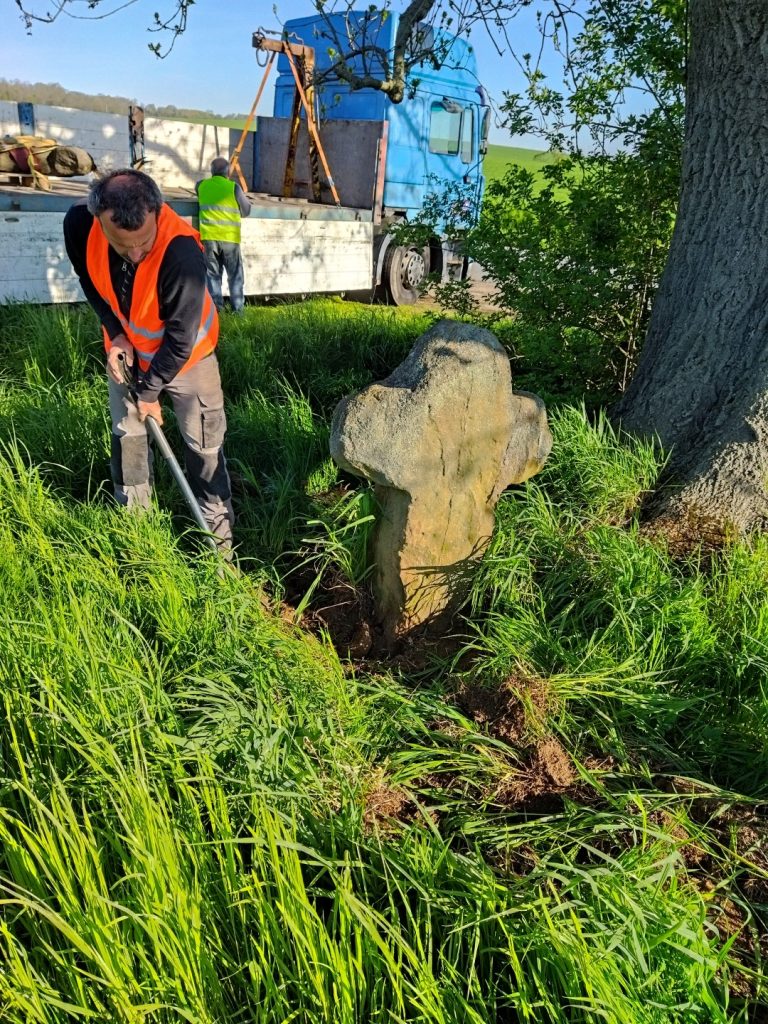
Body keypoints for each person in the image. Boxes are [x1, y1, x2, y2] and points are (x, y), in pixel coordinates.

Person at [63, 168, 234, 548]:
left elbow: (179, 339)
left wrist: (149, 393)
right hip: (127, 354)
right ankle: (137, 532)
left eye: (144, 241)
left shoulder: (182, 253)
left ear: (157, 211)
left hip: (189, 360)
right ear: (99, 221)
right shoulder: (79, 225)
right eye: (124, 246)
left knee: (203, 447)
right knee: (129, 439)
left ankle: (219, 543)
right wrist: (117, 334)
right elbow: (88, 281)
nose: (136, 254)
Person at [196, 156, 251, 313]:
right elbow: (246, 211)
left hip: (208, 239)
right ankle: (238, 311)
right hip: (229, 239)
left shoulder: (201, 186)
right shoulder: (234, 188)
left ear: (212, 172)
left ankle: (215, 312)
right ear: (228, 173)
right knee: (235, 276)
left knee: (212, 275)